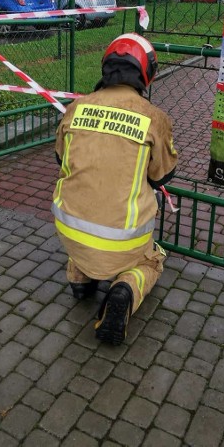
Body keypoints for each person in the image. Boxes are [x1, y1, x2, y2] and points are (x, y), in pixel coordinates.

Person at [51, 33, 178, 345]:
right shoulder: (154, 118)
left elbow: (60, 157)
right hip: (124, 241)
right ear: (147, 73)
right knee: (151, 261)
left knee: (86, 201)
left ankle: (80, 277)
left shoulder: (76, 107)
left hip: (69, 231)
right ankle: (125, 289)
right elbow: (162, 176)